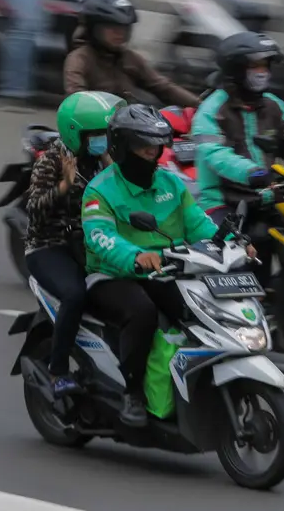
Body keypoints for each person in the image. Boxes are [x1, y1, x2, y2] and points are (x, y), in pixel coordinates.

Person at [81, 104, 254, 428]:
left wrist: (234, 242)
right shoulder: (100, 189)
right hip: (113, 275)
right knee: (142, 312)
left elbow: (199, 224)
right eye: (141, 144)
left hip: (169, 268)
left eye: (156, 144)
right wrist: (135, 255)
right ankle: (133, 392)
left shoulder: (171, 184)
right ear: (121, 147)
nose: (151, 151)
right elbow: (99, 237)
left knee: (202, 309)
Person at [24, 90, 126, 399]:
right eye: (96, 135)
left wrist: (113, 169)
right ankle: (58, 371)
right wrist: (65, 186)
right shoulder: (54, 161)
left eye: (104, 134)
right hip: (49, 246)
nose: (102, 140)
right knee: (74, 294)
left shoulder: (100, 159)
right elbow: (34, 208)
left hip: (89, 241)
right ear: (77, 134)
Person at [190, 32, 284, 250]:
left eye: (265, 66)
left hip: (269, 197)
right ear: (235, 69)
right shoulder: (212, 110)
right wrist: (251, 172)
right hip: (223, 202)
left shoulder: (273, 105)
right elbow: (216, 154)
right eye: (255, 66)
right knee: (234, 257)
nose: (262, 72)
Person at [64, 0, 200, 108]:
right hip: (94, 130)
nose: (120, 34)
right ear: (94, 28)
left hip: (127, 126)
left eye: (124, 28)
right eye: (112, 28)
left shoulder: (130, 58)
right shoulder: (79, 59)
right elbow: (77, 99)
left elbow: (163, 87)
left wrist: (199, 105)